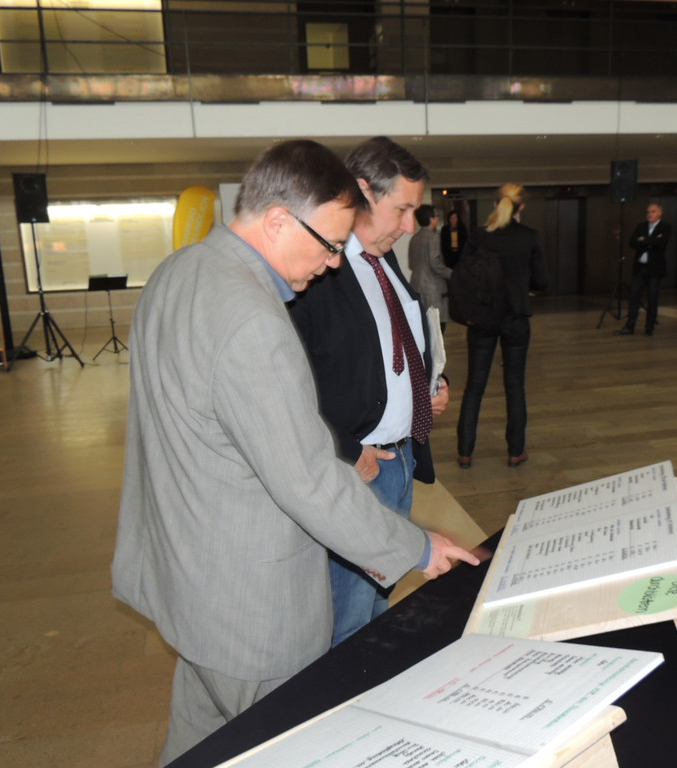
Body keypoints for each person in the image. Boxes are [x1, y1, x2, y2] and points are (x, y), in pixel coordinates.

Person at [110, 139, 478, 766]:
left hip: (187, 580)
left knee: (198, 742)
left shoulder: (179, 271)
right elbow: (307, 480)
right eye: (330, 244)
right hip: (251, 607)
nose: (334, 264)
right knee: (279, 748)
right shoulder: (252, 319)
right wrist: (416, 547)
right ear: (278, 220)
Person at [290, 136, 450, 647]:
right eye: (402, 209)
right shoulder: (319, 270)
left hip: (399, 462)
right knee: (350, 619)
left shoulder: (384, 261)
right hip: (358, 471)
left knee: (378, 605)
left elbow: (393, 342)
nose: (410, 225)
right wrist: (344, 447)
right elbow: (290, 379)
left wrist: (430, 383)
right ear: (362, 191)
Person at [455, 182, 550, 469]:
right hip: (515, 318)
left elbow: (463, 273)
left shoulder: (479, 236)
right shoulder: (529, 237)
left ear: (495, 204)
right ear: (522, 207)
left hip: (482, 318)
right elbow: (542, 282)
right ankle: (515, 451)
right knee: (515, 385)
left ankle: (465, 452)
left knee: (475, 385)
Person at [616, 202, 671, 337]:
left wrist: (643, 240)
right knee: (634, 297)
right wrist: (650, 241)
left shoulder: (665, 227)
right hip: (640, 267)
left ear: (660, 213)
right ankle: (630, 326)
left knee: (652, 298)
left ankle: (649, 327)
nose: (649, 214)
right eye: (648, 212)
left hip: (654, 268)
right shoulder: (641, 226)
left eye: (653, 212)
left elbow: (660, 243)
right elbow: (632, 242)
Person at [408, 203, 453, 331]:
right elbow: (435, 264)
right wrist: (452, 274)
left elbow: (411, 264)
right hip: (432, 288)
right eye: (436, 216)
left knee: (423, 327)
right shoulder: (434, 238)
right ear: (431, 219)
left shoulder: (414, 238)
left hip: (416, 286)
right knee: (437, 328)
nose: (437, 219)